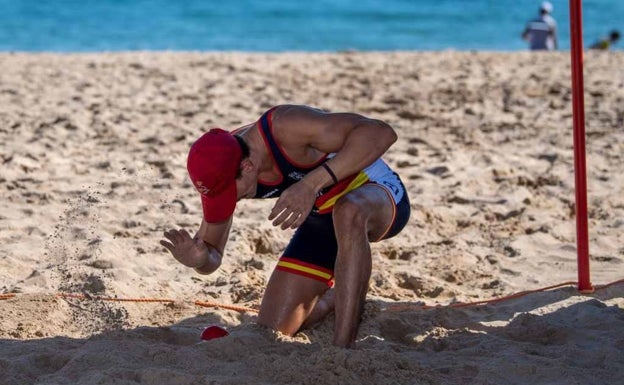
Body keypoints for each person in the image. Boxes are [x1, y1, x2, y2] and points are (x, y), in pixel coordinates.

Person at [160, 104, 410, 348]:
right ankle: (342, 293)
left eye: (228, 192)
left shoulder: (285, 126)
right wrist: (199, 260)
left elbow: (382, 133)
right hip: (321, 218)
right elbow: (213, 256)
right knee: (274, 329)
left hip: (375, 193)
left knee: (348, 211)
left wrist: (310, 185)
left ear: (247, 167)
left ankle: (343, 347)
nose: (230, 200)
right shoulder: (219, 169)